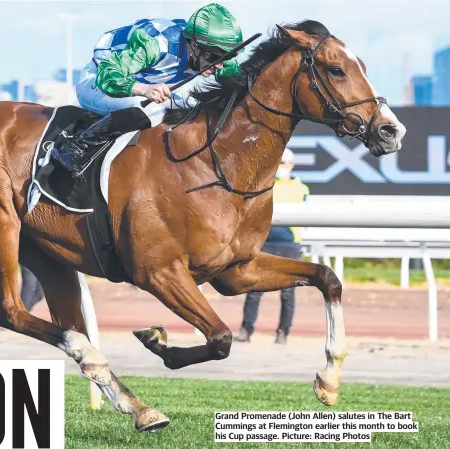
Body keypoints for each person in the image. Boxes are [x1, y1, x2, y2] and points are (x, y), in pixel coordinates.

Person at [50, 4, 245, 178]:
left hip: (133, 87)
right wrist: (145, 90)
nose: (220, 65)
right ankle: (75, 147)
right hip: (97, 82)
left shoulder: (210, 53)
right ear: (195, 44)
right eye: (216, 57)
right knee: (153, 109)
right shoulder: (154, 44)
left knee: (191, 106)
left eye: (226, 57)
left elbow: (243, 80)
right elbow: (108, 77)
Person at [234, 148, 310, 344]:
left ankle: (283, 332)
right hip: (263, 242)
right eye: (279, 162)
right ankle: (246, 330)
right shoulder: (264, 185)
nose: (281, 166)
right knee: (253, 290)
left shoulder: (301, 188)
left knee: (287, 293)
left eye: (284, 163)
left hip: (289, 244)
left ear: (291, 165)